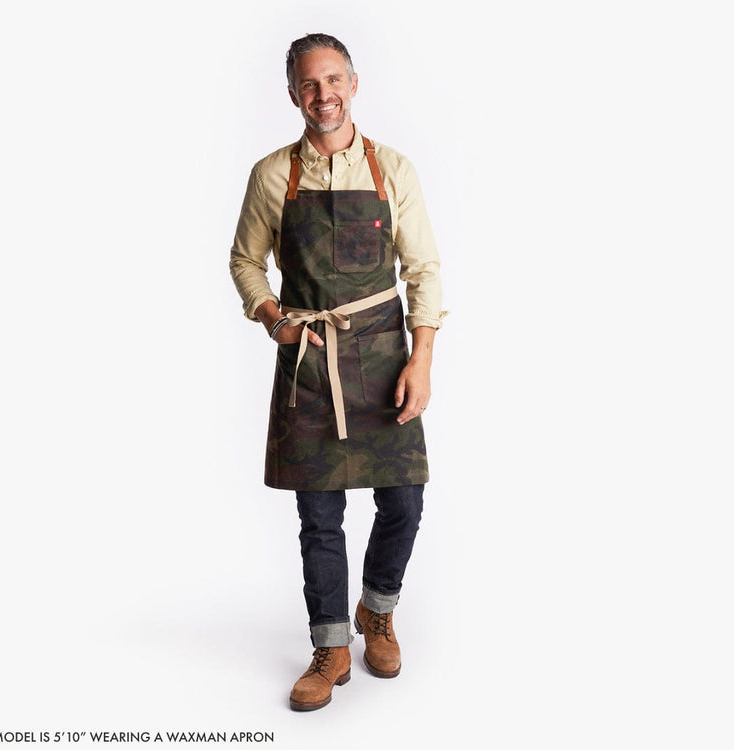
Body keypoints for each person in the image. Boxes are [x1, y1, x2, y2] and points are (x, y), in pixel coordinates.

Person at [229, 33, 446, 711]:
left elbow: (423, 269)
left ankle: (376, 611)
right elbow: (244, 260)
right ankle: (330, 647)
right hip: (309, 364)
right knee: (319, 516)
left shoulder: (392, 169)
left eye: (333, 81)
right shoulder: (273, 174)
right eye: (309, 84)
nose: (322, 95)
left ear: (353, 84)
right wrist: (275, 318)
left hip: (384, 358)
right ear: (294, 94)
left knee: (404, 502)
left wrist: (422, 358)